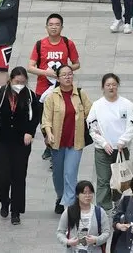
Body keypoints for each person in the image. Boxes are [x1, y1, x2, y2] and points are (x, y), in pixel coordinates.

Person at [0, 66, 39, 224]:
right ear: (10, 80)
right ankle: (4, 201)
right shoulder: (0, 94)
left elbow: (35, 116)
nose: (19, 84)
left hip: (22, 142)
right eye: (17, 81)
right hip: (3, 140)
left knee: (19, 175)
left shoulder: (29, 96)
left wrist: (30, 132)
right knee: (1, 175)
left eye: (23, 82)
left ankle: (16, 211)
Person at [42, 66, 91, 214]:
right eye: (64, 75)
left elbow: (92, 114)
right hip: (57, 143)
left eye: (70, 74)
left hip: (76, 142)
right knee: (58, 174)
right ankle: (60, 196)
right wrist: (49, 133)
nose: (68, 77)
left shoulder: (81, 94)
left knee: (70, 173)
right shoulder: (52, 97)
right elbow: (46, 119)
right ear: (57, 78)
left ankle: (69, 207)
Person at [86, 73, 133, 213]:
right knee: (103, 180)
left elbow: (132, 125)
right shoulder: (97, 105)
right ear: (103, 87)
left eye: (114, 85)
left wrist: (122, 141)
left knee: (120, 180)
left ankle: (117, 202)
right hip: (103, 150)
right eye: (108, 85)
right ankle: (103, 208)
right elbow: (92, 126)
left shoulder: (127, 105)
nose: (111, 87)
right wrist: (103, 143)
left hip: (121, 149)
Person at [56, 181, 112, 251]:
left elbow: (107, 232)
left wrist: (96, 240)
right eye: (84, 193)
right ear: (77, 195)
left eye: (90, 193)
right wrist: (68, 242)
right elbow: (60, 232)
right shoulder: (69, 211)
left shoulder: (100, 212)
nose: (87, 196)